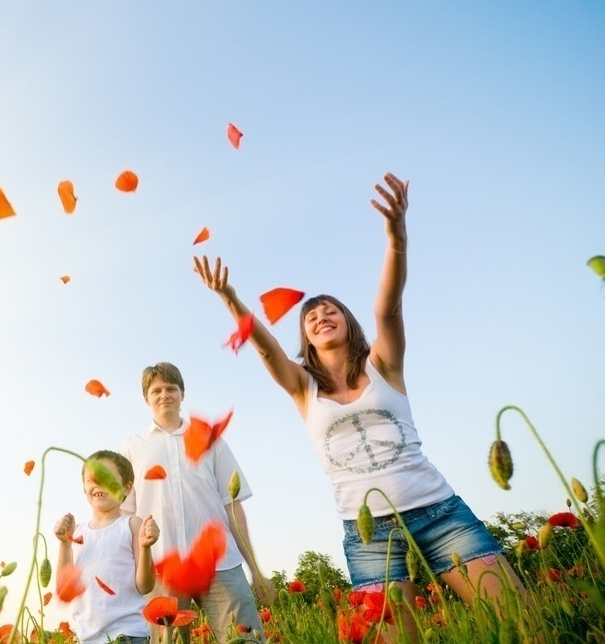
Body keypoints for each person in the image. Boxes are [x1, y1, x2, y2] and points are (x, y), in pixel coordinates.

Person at [193, 173, 526, 625]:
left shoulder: (384, 364)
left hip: (439, 512)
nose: (320, 315)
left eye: (330, 309)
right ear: (306, 339)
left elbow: (387, 308)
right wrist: (230, 298)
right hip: (369, 534)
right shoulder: (302, 388)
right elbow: (266, 347)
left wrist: (397, 238)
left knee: (520, 621)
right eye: (310, 316)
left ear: (347, 322)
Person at [121, 363, 272, 644]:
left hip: (221, 564)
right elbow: (127, 517)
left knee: (246, 639)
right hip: (163, 570)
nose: (164, 394)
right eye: (156, 390)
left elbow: (233, 505)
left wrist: (255, 568)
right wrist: (135, 575)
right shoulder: (132, 447)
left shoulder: (211, 440)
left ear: (182, 394)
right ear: (146, 399)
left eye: (171, 388)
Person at [54, 450, 160, 644]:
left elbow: (145, 586)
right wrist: (64, 543)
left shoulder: (132, 525)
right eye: (91, 479)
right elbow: (64, 586)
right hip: (86, 637)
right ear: (84, 487)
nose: (97, 482)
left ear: (127, 488)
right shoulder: (77, 532)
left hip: (128, 634)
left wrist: (145, 548)